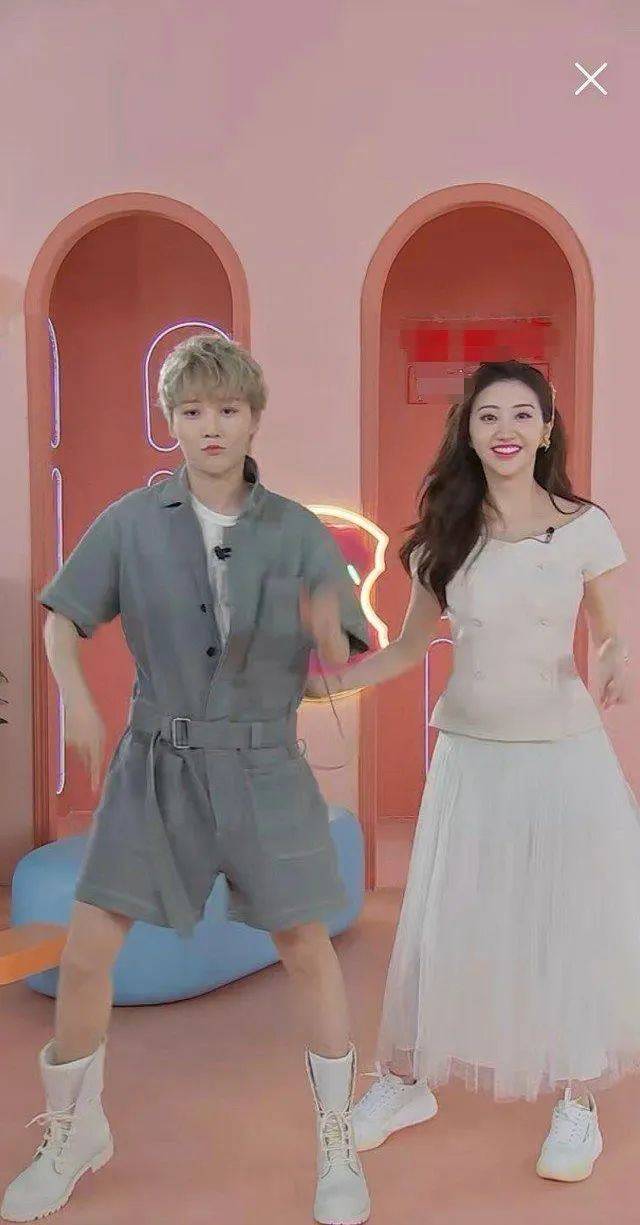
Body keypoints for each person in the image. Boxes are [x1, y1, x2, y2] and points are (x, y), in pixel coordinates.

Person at [2, 334, 372, 1225]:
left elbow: (342, 650)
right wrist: (76, 698)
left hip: (264, 763)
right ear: (170, 420)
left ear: (254, 418)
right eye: (192, 410)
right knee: (88, 947)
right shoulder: (131, 521)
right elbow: (60, 618)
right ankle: (73, 1131)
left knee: (306, 946)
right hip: (154, 764)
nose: (211, 426)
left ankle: (337, 1140)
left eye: (228, 409)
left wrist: (328, 629)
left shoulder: (294, 529)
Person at [309, 359, 640, 1183]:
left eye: (523, 414)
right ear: (468, 430)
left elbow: (609, 629)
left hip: (563, 754)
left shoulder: (585, 527)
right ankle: (406, 1079)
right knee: (443, 919)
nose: (506, 429)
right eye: (488, 415)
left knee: (566, 921)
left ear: (547, 429)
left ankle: (577, 1100)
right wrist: (328, 683)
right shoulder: (443, 539)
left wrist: (614, 657)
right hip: (471, 753)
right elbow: (408, 648)